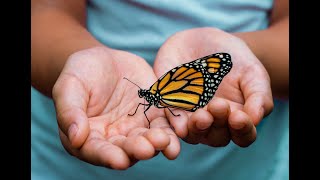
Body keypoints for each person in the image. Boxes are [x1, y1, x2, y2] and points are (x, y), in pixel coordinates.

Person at [31, 0, 288, 179]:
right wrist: (80, 60)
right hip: (57, 169)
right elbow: (42, 12)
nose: (145, 97)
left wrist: (252, 57)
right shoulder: (155, 94)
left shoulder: (160, 91)